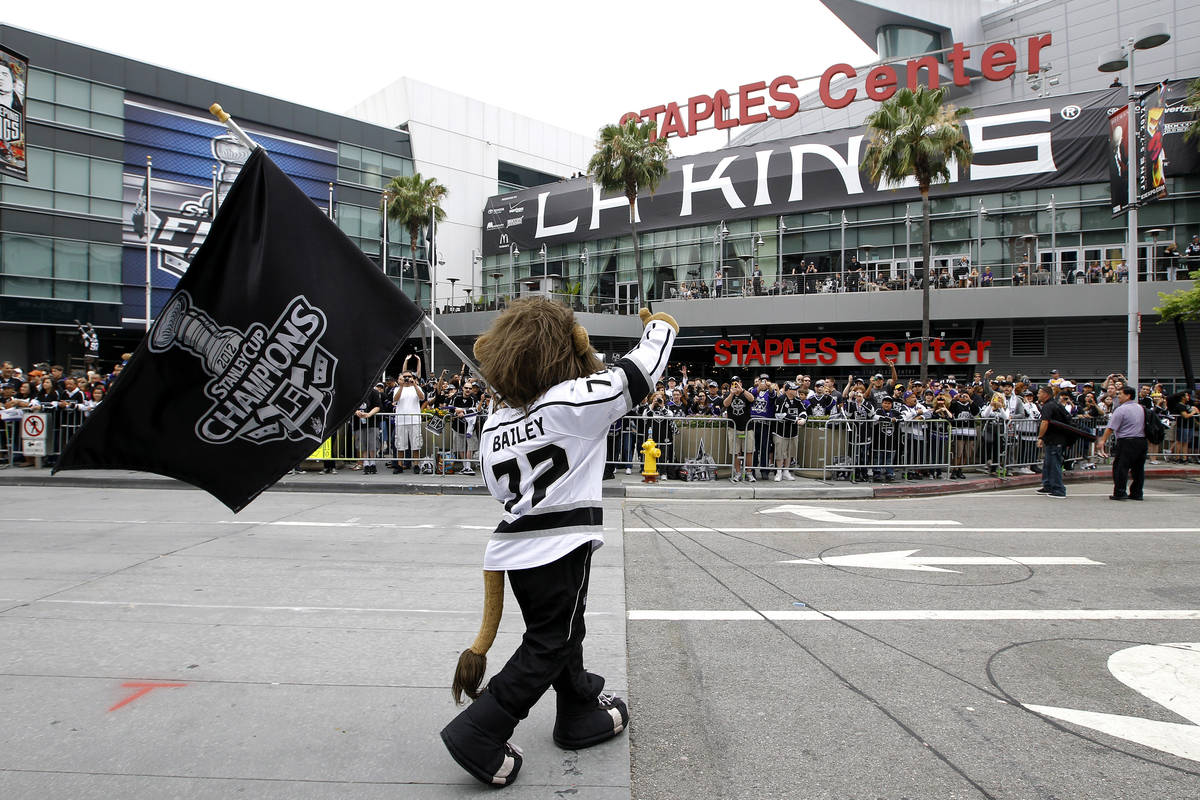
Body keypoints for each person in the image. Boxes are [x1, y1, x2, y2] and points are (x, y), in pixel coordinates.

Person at [441, 299, 677, 788]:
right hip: (559, 543)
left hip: (514, 547)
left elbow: (496, 487)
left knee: (563, 630)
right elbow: (637, 375)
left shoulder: (495, 423)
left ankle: (578, 706)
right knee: (550, 642)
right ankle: (480, 728)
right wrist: (659, 328)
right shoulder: (568, 401)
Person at [1096, 386, 1148, 501]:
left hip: (1126, 442)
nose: (1118, 396)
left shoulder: (1121, 409)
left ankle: (1120, 491)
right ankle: (1137, 493)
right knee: (1138, 469)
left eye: (1120, 394)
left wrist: (1102, 440)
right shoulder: (1141, 408)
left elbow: (1111, 427)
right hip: (1141, 441)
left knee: (1120, 467)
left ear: (1128, 395)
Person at [1036, 385, 1072, 498]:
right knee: (1048, 464)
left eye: (1039, 393)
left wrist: (1040, 437)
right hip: (1052, 439)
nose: (1038, 395)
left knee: (1054, 464)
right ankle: (1048, 486)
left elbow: (1045, 422)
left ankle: (1059, 489)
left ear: (1046, 394)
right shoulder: (1053, 404)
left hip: (1056, 440)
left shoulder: (1049, 406)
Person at [392, 362, 425, 474]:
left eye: (409, 377)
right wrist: (401, 386)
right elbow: (395, 399)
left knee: (416, 444)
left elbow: (422, 398)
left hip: (414, 419)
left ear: (412, 377)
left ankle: (416, 464)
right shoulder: (397, 389)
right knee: (400, 444)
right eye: (405, 377)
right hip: (401, 420)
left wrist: (414, 384)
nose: (407, 379)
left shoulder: (417, 388)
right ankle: (399, 465)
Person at [723, 375, 756, 482]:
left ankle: (749, 473)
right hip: (733, 428)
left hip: (747, 427)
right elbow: (725, 404)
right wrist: (732, 393)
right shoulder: (729, 394)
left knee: (749, 451)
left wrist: (742, 391)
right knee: (736, 451)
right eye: (733, 383)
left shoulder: (745, 393)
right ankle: (737, 473)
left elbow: (752, 399)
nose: (735, 384)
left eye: (737, 382)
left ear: (741, 383)